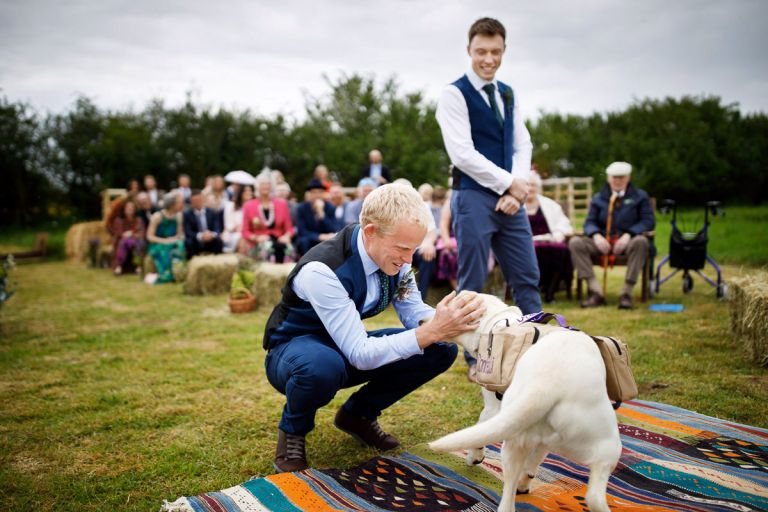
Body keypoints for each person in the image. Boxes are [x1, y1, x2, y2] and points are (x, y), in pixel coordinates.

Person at [262, 183, 486, 472]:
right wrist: (430, 331)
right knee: (321, 367)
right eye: (403, 248)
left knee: (440, 348)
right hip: (293, 351)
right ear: (370, 232)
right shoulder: (322, 270)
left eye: (414, 249)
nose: (409, 260)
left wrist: (455, 322)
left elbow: (414, 312)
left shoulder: (398, 260)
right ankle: (293, 431)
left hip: (345, 344)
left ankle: (358, 415)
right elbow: (360, 354)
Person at [435, 17, 541, 371]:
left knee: (526, 275)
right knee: (472, 281)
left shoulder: (508, 93)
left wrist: (518, 187)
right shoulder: (453, 94)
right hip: (472, 198)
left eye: (495, 51)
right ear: (469, 50)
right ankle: (475, 356)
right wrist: (508, 184)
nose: (488, 59)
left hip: (511, 201)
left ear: (504, 51)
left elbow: (522, 144)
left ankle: (535, 345)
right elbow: (462, 153)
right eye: (481, 51)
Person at [569, 161, 655, 309]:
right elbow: (589, 222)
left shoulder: (640, 196)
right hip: (602, 241)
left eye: (621, 177)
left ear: (628, 178)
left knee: (641, 242)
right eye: (614, 177)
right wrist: (596, 235)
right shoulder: (598, 198)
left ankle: (626, 294)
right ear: (608, 178)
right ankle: (596, 292)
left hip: (629, 242)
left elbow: (648, 221)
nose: (617, 180)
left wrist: (629, 234)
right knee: (575, 242)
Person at [525, 171, 574, 302]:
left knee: (561, 250)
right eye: (527, 184)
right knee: (533, 250)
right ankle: (532, 289)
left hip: (549, 240)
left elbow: (564, 224)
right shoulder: (516, 205)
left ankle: (551, 290)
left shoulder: (549, 205)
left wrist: (558, 234)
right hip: (525, 243)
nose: (530, 188)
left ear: (538, 187)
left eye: (533, 185)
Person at [242, 174, 295, 263]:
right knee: (267, 249)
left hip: (279, 240)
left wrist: (287, 236)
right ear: (257, 187)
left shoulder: (282, 204)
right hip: (259, 243)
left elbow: (289, 228)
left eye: (268, 184)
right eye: (263, 184)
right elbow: (245, 231)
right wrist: (256, 238)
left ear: (272, 186)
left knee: (289, 250)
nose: (265, 186)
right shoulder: (249, 206)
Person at [146, 191, 185, 284]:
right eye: (179, 202)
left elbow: (179, 234)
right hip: (157, 244)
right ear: (172, 204)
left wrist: (175, 239)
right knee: (165, 250)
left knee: (180, 245)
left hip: (172, 242)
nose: (181, 204)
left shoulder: (178, 216)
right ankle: (165, 275)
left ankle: (178, 273)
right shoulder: (157, 216)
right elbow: (149, 236)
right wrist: (165, 241)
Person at [295, 178, 338, 256]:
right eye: (314, 192)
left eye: (320, 192)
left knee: (333, 240)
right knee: (302, 241)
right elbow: (302, 231)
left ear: (323, 193)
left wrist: (322, 214)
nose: (317, 195)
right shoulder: (302, 208)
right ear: (310, 194)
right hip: (310, 239)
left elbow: (333, 229)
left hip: (325, 240)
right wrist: (318, 236)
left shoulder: (330, 208)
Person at [107, 198, 145, 275]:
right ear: (124, 209)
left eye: (132, 208)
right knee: (124, 241)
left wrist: (131, 234)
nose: (130, 209)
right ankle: (118, 266)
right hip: (123, 242)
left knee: (139, 243)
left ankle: (138, 266)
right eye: (128, 208)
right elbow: (120, 234)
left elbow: (141, 233)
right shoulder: (119, 220)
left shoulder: (138, 220)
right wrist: (129, 234)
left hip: (135, 241)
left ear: (134, 209)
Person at [183, 189, 224, 258]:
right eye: (195, 201)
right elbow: (188, 231)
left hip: (210, 238)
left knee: (218, 240)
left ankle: (217, 261)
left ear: (203, 200)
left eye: (199, 200)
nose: (197, 203)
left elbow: (217, 228)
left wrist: (211, 234)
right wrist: (201, 236)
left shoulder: (211, 212)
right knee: (188, 242)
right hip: (197, 240)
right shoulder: (187, 215)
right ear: (191, 202)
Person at [222, 184, 253, 253]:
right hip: (233, 234)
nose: (249, 192)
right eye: (246, 191)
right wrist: (237, 227)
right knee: (242, 238)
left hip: (249, 233)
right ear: (240, 192)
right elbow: (228, 225)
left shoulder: (254, 207)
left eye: (250, 190)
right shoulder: (230, 206)